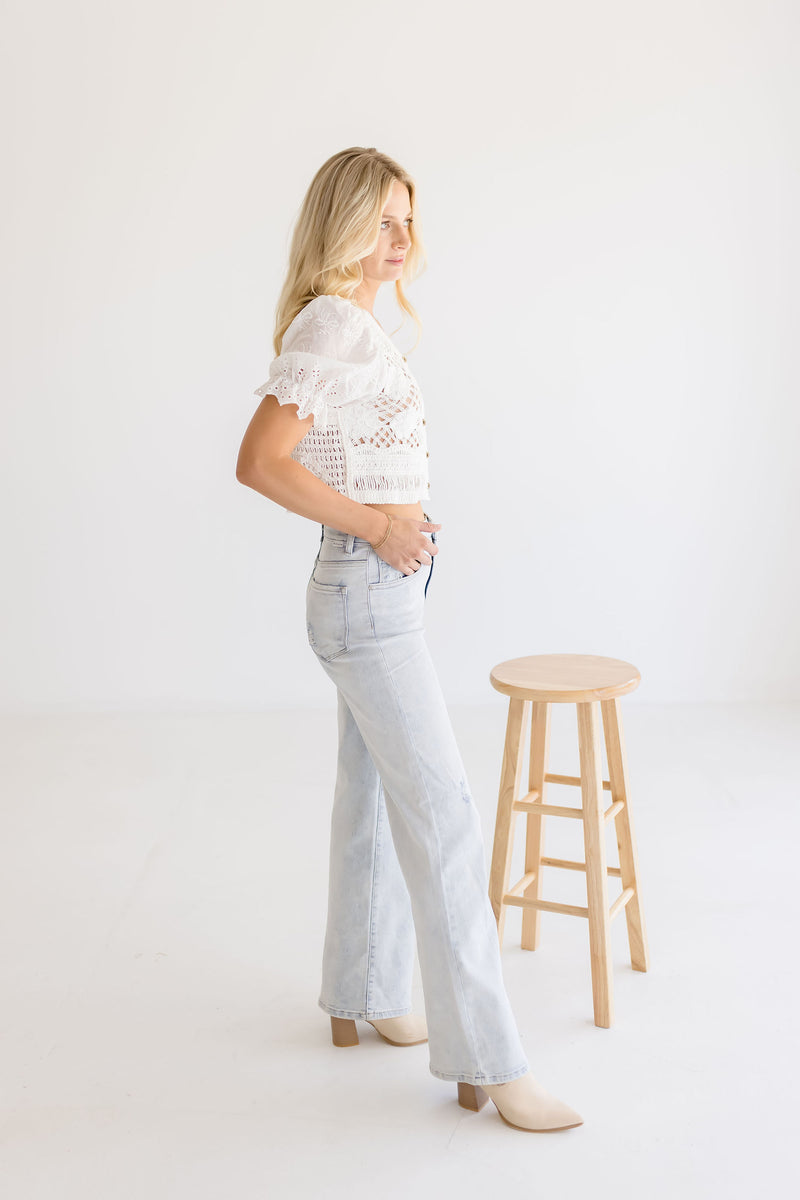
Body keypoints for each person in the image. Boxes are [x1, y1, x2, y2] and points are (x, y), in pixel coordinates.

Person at [235, 147, 583, 1133]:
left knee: (373, 799)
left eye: (406, 220)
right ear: (342, 225)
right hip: (365, 596)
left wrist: (396, 529)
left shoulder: (354, 326)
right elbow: (259, 461)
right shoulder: (334, 323)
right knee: (444, 815)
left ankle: (364, 991)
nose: (401, 239)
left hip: (376, 592)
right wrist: (378, 527)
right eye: (382, 221)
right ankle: (492, 1063)